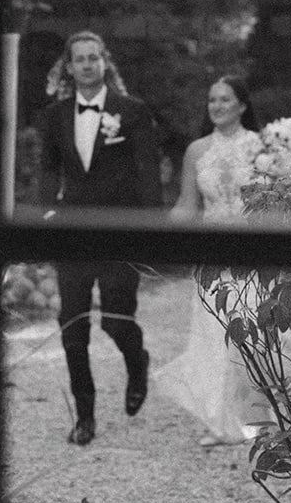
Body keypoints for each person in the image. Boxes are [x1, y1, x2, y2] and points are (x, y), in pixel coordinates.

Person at [39, 30, 163, 446]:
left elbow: (148, 172)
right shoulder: (55, 116)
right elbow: (46, 170)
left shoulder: (132, 111)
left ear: (104, 62)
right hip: (73, 234)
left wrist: (150, 229)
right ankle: (85, 416)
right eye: (80, 59)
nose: (88, 64)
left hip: (119, 232)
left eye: (94, 57)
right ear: (69, 67)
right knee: (73, 325)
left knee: (115, 320)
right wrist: (47, 211)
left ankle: (137, 360)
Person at [155, 73, 262, 448]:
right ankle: (219, 421)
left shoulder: (263, 148)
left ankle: (255, 418)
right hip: (212, 254)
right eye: (212, 100)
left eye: (225, 100)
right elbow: (187, 205)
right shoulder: (197, 151)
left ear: (242, 106)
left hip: (254, 253)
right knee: (214, 335)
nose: (216, 106)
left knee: (253, 333)